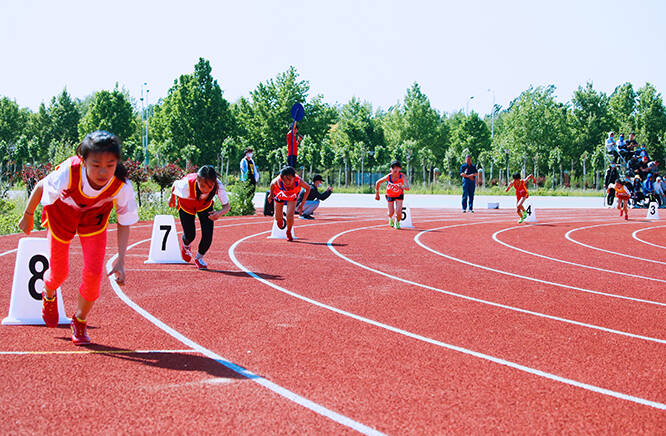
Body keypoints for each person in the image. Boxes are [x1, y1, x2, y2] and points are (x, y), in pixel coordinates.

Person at [17, 131, 139, 345]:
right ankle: (49, 292)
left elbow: (124, 221)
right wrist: (27, 216)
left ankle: (79, 320)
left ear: (117, 163)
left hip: (93, 218)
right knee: (59, 273)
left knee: (94, 275)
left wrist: (121, 259)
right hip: (62, 214)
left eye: (110, 165)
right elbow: (40, 186)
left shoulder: (121, 185)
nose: (103, 171)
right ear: (84, 161)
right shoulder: (69, 171)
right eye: (96, 164)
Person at [169, 165, 231, 269]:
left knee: (208, 236)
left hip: (204, 205)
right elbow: (175, 183)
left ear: (214, 183)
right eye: (202, 186)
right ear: (197, 180)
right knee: (190, 235)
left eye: (210, 187)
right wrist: (172, 197)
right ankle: (186, 245)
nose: (205, 190)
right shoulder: (185, 184)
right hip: (186, 204)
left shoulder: (218, 186)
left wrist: (219, 213)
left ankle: (199, 257)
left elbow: (226, 206)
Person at [268, 166, 310, 241]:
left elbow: (308, 188)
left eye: (290, 179)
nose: (287, 182)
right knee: (278, 218)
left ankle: (289, 231)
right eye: (284, 180)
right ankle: (280, 220)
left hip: (292, 197)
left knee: (290, 216)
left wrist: (302, 203)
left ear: (294, 177)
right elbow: (271, 184)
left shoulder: (299, 181)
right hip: (280, 195)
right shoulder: (277, 181)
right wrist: (271, 195)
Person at [375, 160, 410, 229]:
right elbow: (377, 182)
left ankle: (397, 222)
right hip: (390, 195)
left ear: (400, 169)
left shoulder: (402, 176)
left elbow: (408, 188)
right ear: (391, 169)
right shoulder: (389, 177)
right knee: (391, 212)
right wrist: (377, 194)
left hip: (399, 195)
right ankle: (390, 218)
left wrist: (402, 187)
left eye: (397, 167)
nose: (395, 169)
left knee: (399, 212)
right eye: (393, 168)